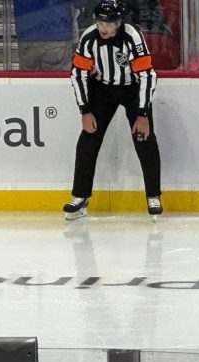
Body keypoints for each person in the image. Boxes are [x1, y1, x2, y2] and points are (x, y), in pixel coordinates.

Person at [64, 0, 162, 220]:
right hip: (102, 90)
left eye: (108, 23)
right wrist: (85, 110)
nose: (103, 27)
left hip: (132, 89)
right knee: (87, 141)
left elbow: (147, 75)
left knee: (144, 140)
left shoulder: (133, 36)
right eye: (100, 22)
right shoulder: (88, 37)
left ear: (118, 23)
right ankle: (80, 196)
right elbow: (77, 74)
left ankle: (153, 196)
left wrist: (142, 113)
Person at [16, 0, 86, 69]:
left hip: (27, 35)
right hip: (56, 36)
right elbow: (80, 3)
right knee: (56, 78)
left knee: (28, 78)